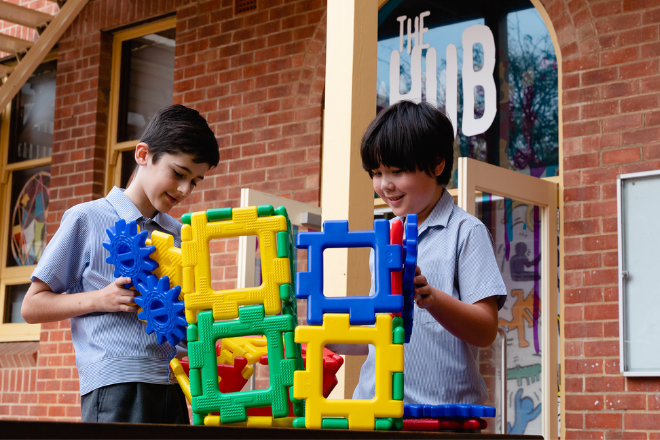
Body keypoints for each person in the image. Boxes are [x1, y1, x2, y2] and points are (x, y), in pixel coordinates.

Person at [21, 105, 220, 423]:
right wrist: (101, 299)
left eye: (195, 181)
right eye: (179, 173)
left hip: (173, 387)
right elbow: (32, 306)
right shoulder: (87, 218)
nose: (184, 190)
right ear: (143, 154)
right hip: (115, 389)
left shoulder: (182, 235)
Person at [349, 100, 507, 404]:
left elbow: (486, 330)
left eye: (396, 171)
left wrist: (433, 299)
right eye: (376, 173)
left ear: (437, 164)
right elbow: (377, 332)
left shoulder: (466, 232)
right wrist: (315, 335)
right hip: (374, 410)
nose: (385, 185)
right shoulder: (384, 239)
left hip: (442, 418)